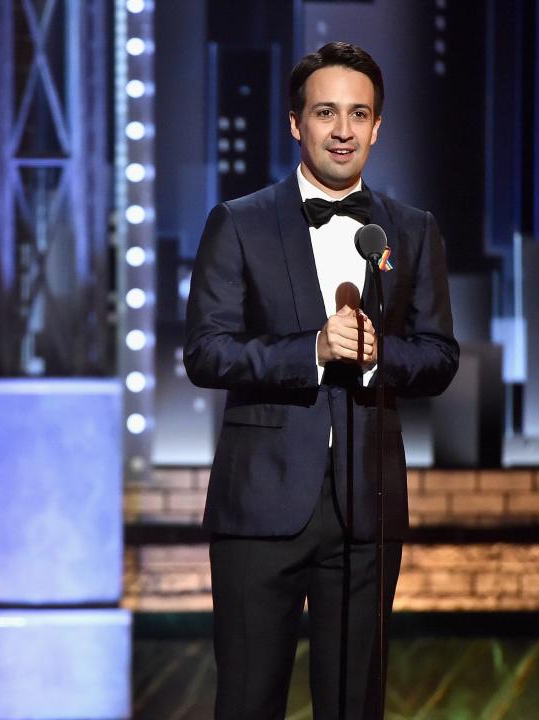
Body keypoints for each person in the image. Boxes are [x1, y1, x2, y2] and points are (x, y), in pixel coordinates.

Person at [184, 41, 459, 719]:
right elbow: (207, 353)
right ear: (295, 123)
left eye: (358, 114)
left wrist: (374, 356)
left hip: (366, 511)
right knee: (248, 702)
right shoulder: (239, 223)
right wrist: (309, 349)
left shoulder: (413, 232)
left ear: (377, 127)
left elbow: (440, 356)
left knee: (355, 706)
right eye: (326, 112)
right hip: (260, 509)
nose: (343, 130)